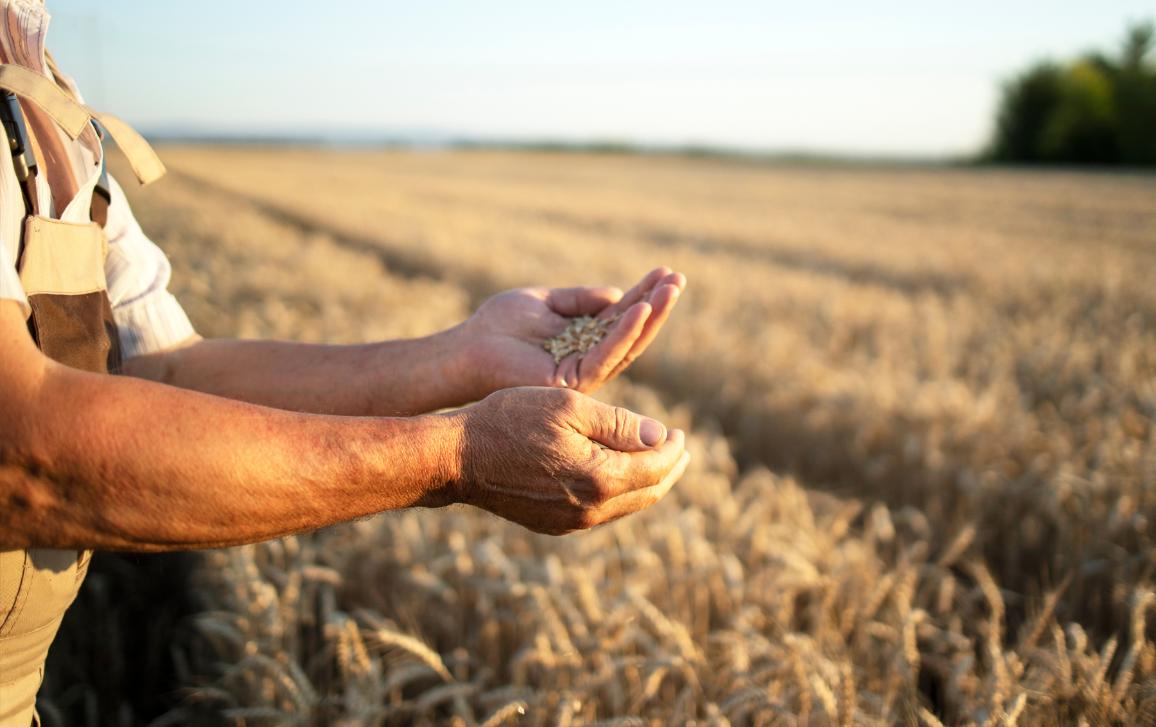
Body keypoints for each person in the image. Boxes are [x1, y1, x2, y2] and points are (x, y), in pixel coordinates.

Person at [0, 3, 689, 725]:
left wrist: (457, 356)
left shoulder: (41, 83)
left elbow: (159, 367)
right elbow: (20, 444)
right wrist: (459, 455)